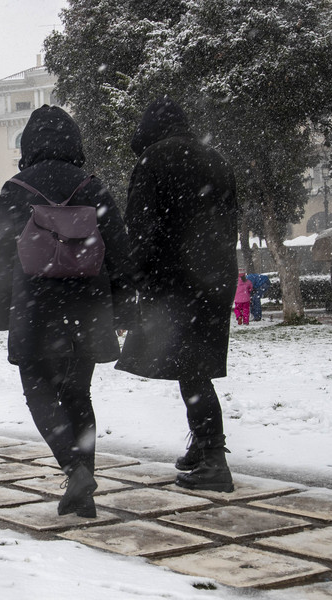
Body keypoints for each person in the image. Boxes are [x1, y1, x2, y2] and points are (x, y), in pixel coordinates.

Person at [0, 105, 136, 518]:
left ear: (29, 143)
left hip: (35, 306)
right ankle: (83, 482)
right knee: (78, 393)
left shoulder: (17, 188)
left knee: (38, 392)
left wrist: (4, 313)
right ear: (74, 140)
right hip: (86, 306)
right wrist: (121, 307)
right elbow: (120, 249)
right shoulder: (92, 186)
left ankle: (73, 470)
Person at [115, 97, 238, 493]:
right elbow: (230, 220)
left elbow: (141, 226)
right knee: (195, 367)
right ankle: (203, 448)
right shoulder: (216, 159)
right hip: (215, 276)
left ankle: (213, 460)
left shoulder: (154, 159)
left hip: (175, 280)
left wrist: (134, 278)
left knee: (192, 370)